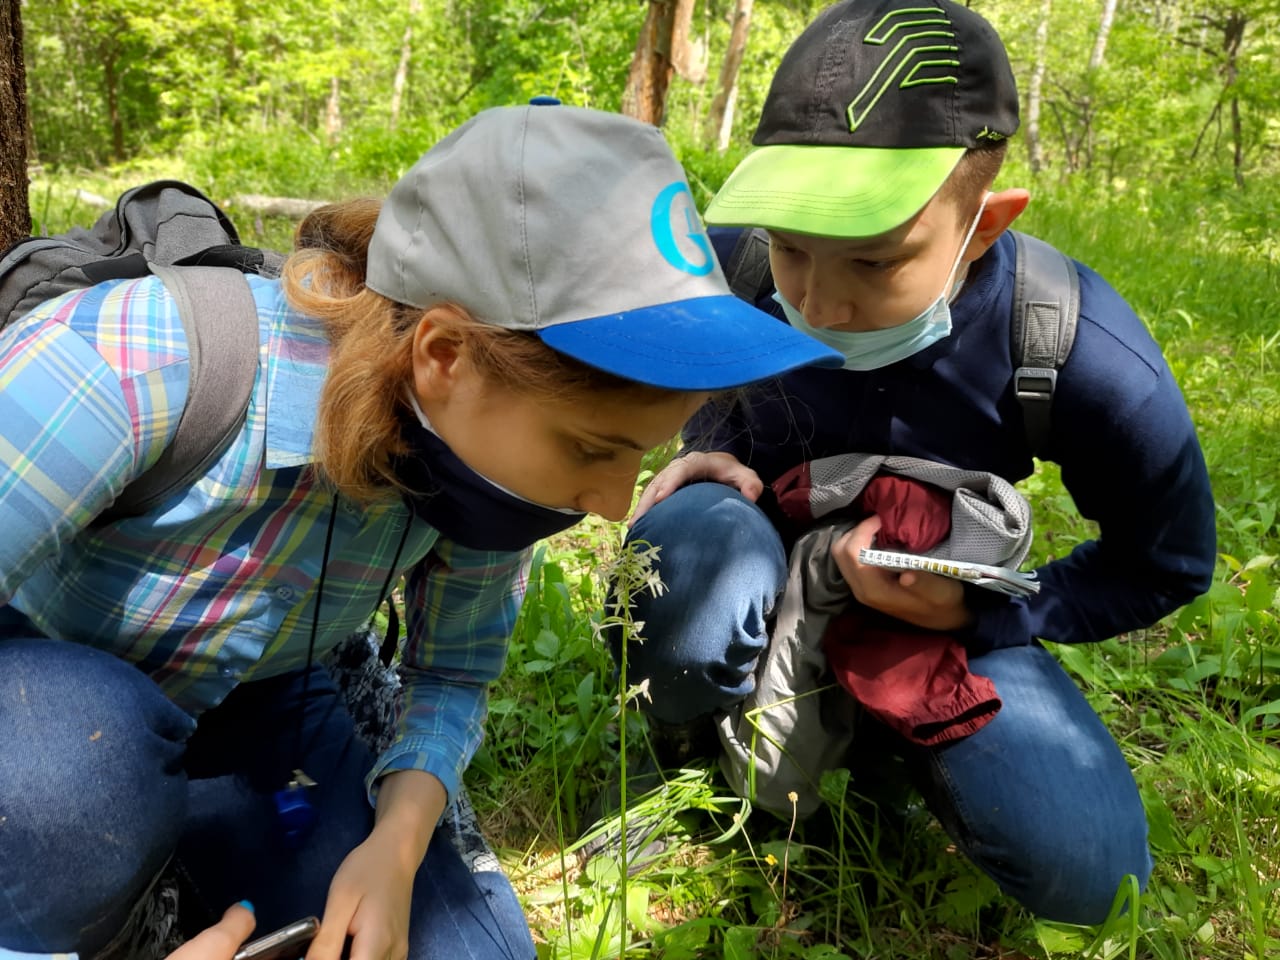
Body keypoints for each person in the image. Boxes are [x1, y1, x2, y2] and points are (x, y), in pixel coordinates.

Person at [0, 103, 841, 960]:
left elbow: (451, 672)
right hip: (45, 709)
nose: (613, 504)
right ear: (443, 355)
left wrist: (397, 847)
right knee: (64, 782)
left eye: (639, 455)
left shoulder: (475, 461)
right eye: (592, 449)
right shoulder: (133, 367)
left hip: (263, 695)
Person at [612, 0, 1216, 926]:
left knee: (1092, 875)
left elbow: (1166, 562)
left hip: (935, 612)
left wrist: (988, 611)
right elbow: (637, 375)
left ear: (984, 224)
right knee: (691, 569)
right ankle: (695, 747)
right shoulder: (731, 266)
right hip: (749, 557)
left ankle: (891, 745)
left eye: (875, 262)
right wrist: (703, 441)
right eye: (791, 246)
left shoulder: (1076, 347)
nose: (819, 303)